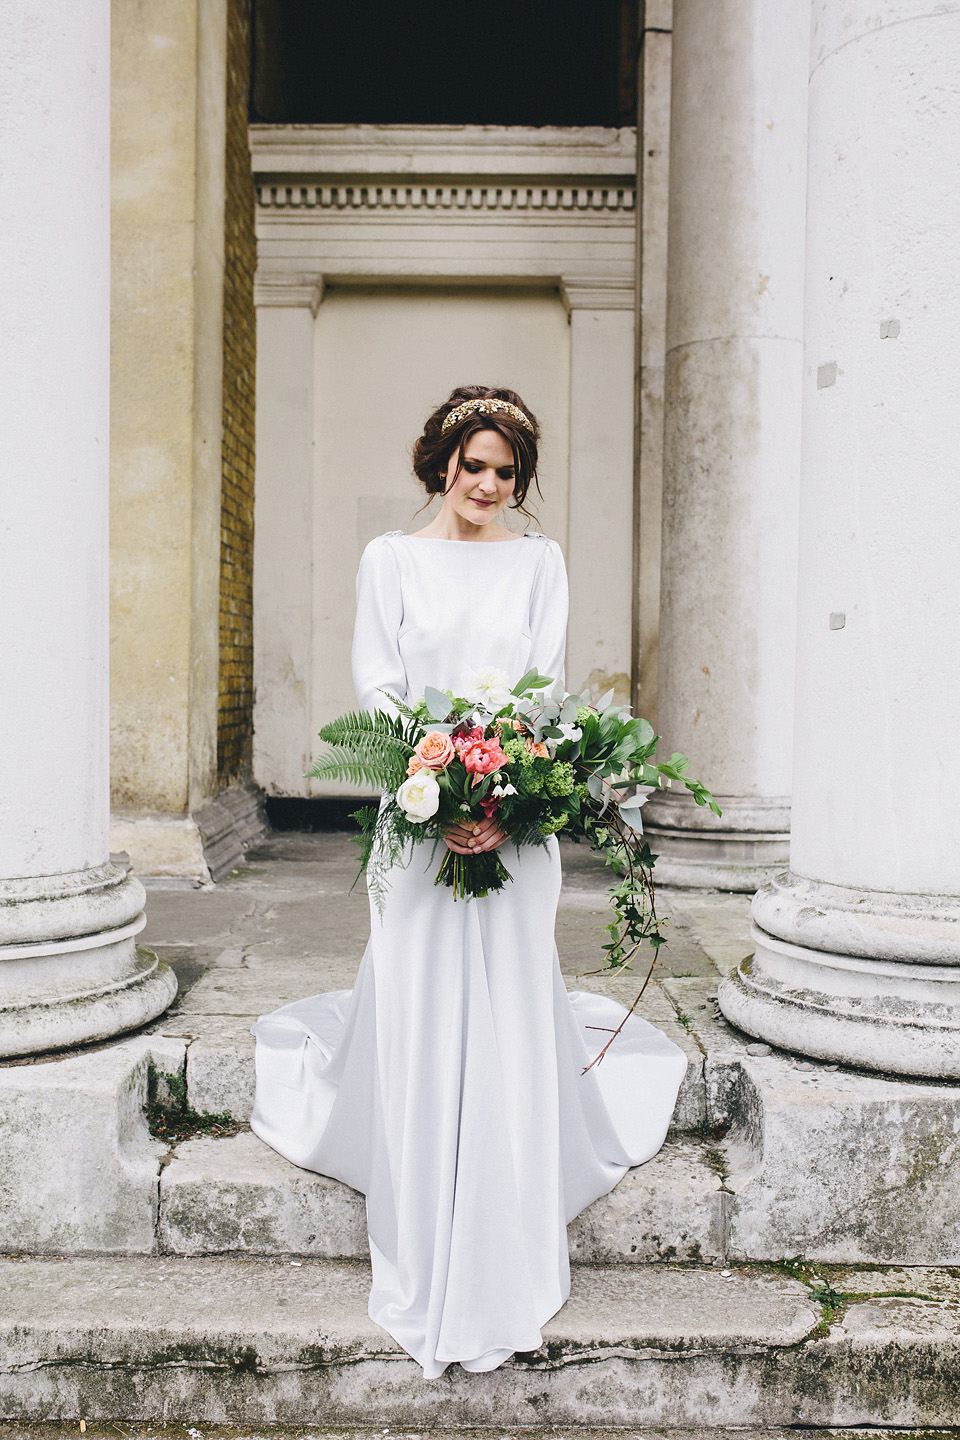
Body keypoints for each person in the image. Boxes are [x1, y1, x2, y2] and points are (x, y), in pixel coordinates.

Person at [250, 385, 687, 1378]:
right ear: (441, 460)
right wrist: (435, 788)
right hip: (418, 812)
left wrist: (508, 794)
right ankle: (420, 1202)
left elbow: (542, 683)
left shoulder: (540, 562)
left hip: (515, 821)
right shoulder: (390, 560)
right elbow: (379, 684)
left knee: (501, 998)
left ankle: (500, 1218)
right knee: (416, 990)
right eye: (474, 464)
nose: (488, 485)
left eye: (506, 472)